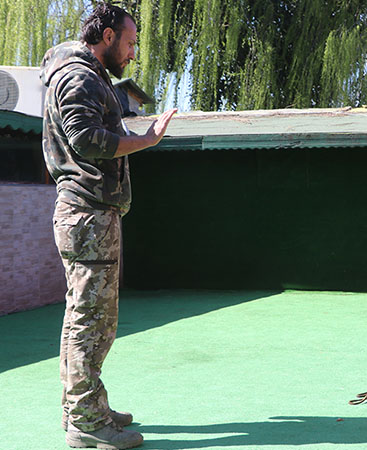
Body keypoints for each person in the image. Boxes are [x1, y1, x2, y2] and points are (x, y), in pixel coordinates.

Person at [40, 3, 176, 449]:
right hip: (87, 214)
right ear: (108, 35)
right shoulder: (78, 75)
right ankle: (86, 423)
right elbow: (85, 138)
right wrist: (146, 140)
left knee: (87, 319)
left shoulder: (85, 73)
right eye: (131, 41)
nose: (134, 52)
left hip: (89, 213)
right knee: (91, 323)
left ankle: (84, 406)